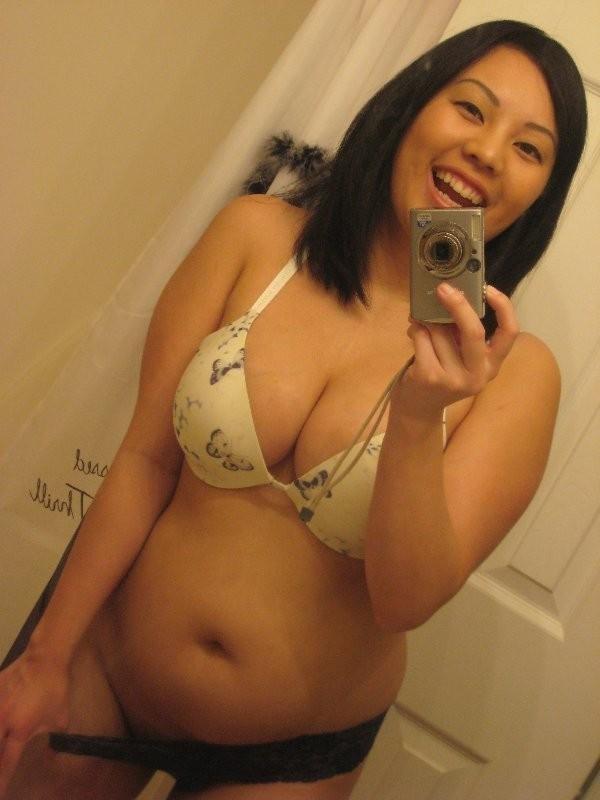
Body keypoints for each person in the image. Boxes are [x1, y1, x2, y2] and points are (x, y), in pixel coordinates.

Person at [0, 18, 587, 800]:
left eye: (530, 148)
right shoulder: (254, 235)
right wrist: (44, 654)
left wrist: (420, 416)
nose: (487, 151)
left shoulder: (516, 377)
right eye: (471, 109)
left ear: (542, 194)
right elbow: (144, 460)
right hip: (108, 665)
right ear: (410, 107)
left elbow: (403, 600)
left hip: (290, 752)